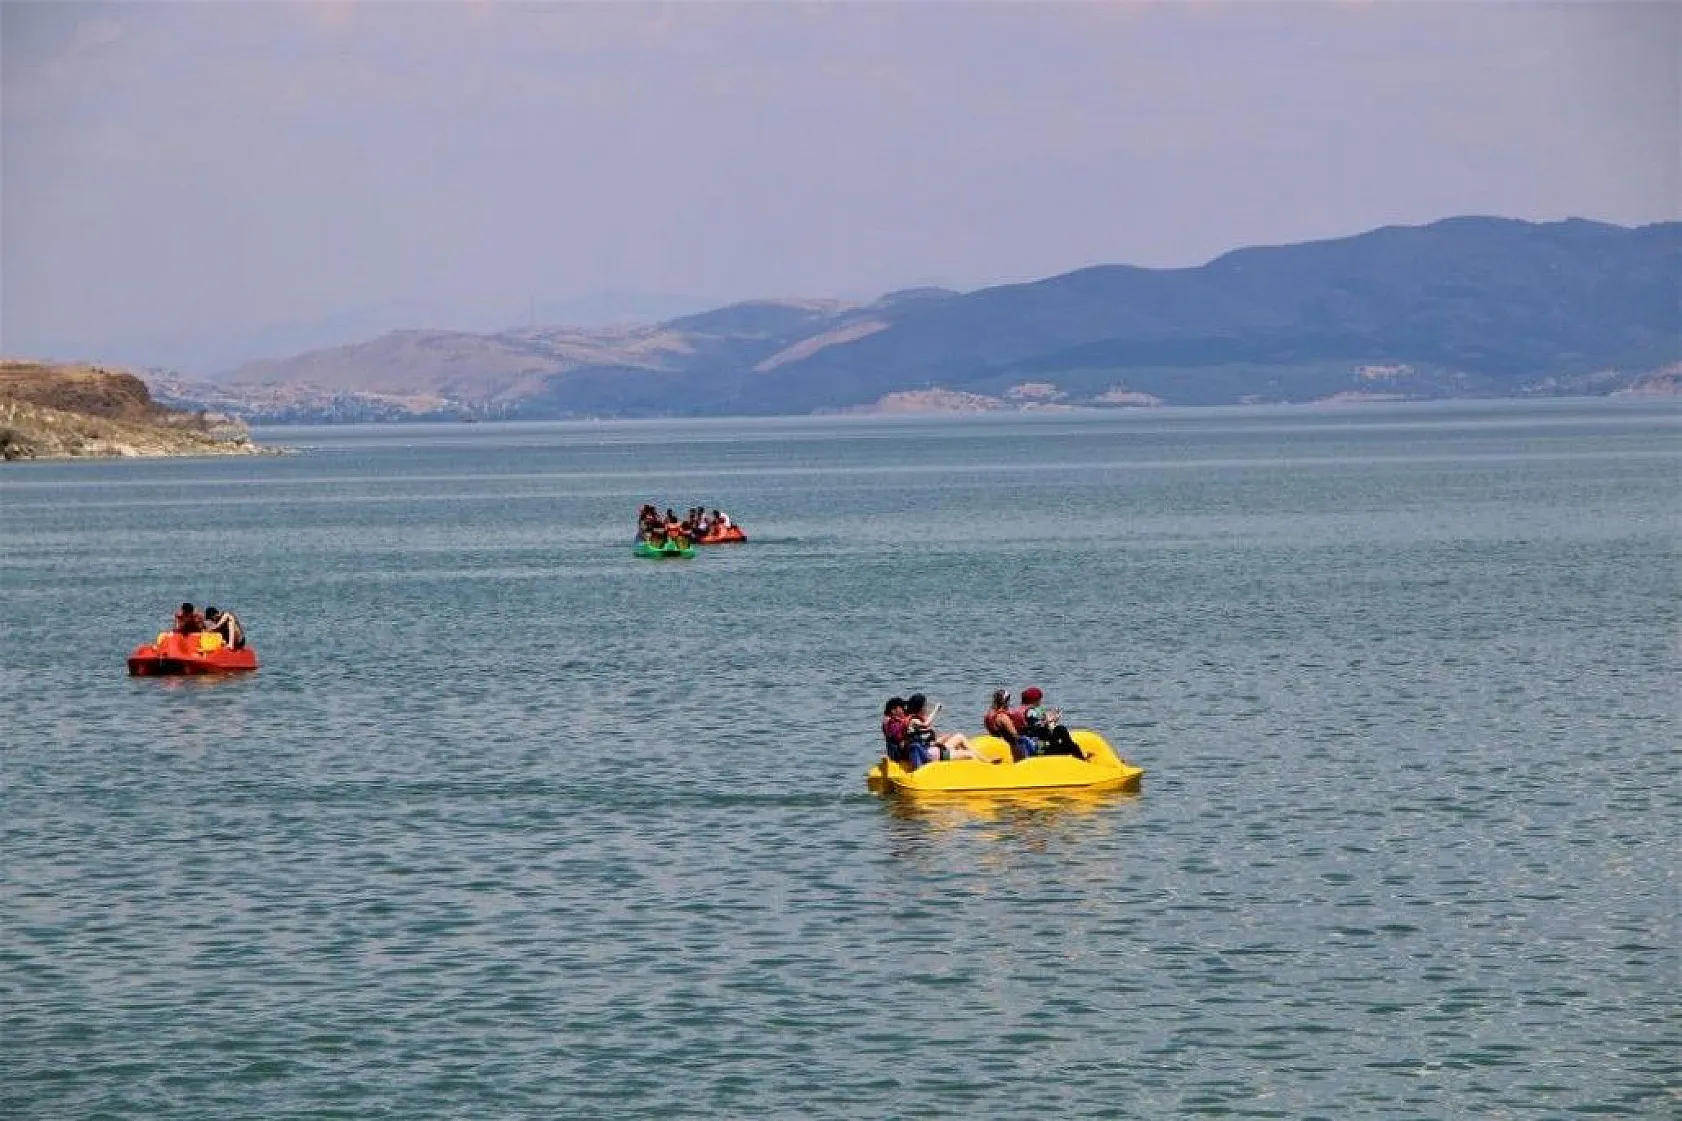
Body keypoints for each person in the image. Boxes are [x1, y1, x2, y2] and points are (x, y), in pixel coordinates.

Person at [904, 693, 992, 766]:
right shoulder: (913, 720)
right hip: (932, 754)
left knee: (959, 736)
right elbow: (926, 724)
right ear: (920, 708)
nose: (926, 708)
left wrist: (940, 739)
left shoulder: (917, 720)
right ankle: (985, 768)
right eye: (925, 706)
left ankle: (985, 760)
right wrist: (936, 710)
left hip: (934, 749)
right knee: (970, 755)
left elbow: (925, 739)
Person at [1015, 686, 1086, 759]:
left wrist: (1051, 720)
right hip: (1041, 750)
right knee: (1069, 743)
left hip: (1041, 744)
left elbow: (1034, 727)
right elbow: (1035, 728)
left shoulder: (1021, 710)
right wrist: (1051, 720)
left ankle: (1079, 755)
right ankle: (1083, 761)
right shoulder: (1031, 712)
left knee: (1060, 730)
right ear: (1035, 700)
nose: (1041, 701)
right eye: (1040, 699)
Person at [984, 689, 1036, 762]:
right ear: (1006, 701)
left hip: (998, 744)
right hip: (1011, 748)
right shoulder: (1002, 717)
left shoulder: (988, 715)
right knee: (1027, 741)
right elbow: (1015, 735)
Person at [881, 697, 911, 764]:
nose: (904, 710)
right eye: (902, 708)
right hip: (897, 753)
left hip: (900, 750)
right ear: (893, 710)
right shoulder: (890, 723)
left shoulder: (899, 720)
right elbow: (898, 736)